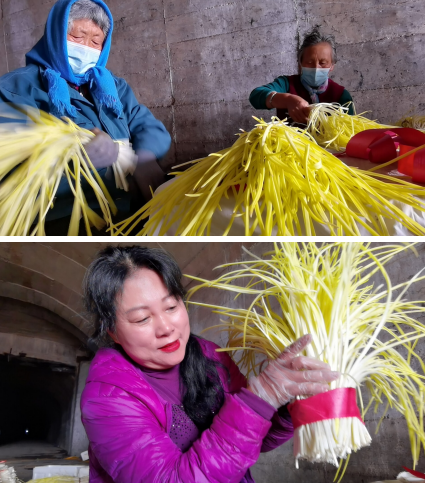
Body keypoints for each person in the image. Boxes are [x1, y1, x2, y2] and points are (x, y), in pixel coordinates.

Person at [81, 246, 340, 483]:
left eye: (171, 306)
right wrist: (260, 397)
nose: (166, 328)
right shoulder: (105, 399)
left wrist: (288, 405)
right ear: (112, 331)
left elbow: (252, 441)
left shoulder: (211, 357)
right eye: (142, 319)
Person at [0, 0, 171, 226]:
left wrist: (145, 156)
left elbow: (146, 124)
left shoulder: (112, 87)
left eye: (96, 41)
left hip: (131, 213)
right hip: (65, 220)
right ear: (56, 36)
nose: (86, 48)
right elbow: (13, 163)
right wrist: (76, 157)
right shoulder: (16, 88)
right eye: (78, 38)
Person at [249, 26, 354, 124]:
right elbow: (256, 96)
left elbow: (350, 133)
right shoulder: (286, 84)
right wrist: (287, 99)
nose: (316, 68)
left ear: (332, 65)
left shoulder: (341, 96)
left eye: (322, 63)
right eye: (309, 62)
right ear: (300, 64)